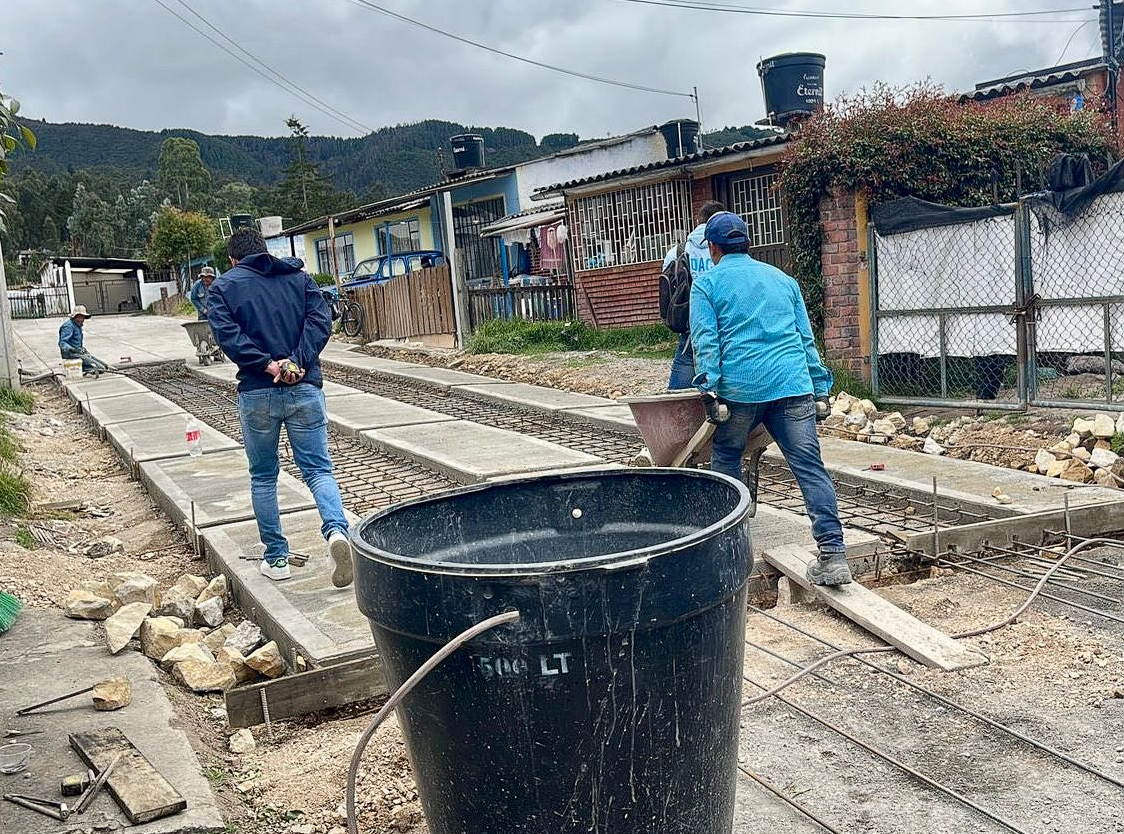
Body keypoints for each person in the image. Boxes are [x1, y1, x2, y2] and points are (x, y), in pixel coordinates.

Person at [689, 212, 852, 587]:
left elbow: (706, 341)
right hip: (793, 384)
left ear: (713, 248)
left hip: (741, 390)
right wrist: (820, 387)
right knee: (809, 466)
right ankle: (833, 553)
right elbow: (805, 338)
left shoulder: (708, 284)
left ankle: (729, 553)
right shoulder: (784, 280)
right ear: (747, 243)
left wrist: (709, 389)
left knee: (727, 458)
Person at [206, 227, 353, 587]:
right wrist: (297, 362)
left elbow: (229, 338)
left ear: (233, 260)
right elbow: (320, 322)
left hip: (257, 392)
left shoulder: (224, 287)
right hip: (304, 388)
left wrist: (268, 365)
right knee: (318, 470)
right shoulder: (299, 279)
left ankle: (276, 558)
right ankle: (337, 532)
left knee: (263, 476)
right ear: (265, 251)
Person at [662, 200, 726, 389]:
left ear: (697, 221)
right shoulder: (727, 249)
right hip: (726, 325)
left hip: (690, 329)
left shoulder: (677, 252)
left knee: (678, 395)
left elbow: (668, 291)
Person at [58, 306, 110, 375]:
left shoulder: (78, 326)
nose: (82, 319)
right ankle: (79, 369)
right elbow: (62, 342)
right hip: (71, 354)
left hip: (79, 352)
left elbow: (76, 342)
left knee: (105, 366)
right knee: (101, 368)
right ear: (75, 316)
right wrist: (71, 349)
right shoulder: (68, 326)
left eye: (83, 317)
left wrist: (81, 349)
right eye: (80, 316)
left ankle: (87, 367)